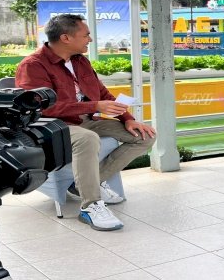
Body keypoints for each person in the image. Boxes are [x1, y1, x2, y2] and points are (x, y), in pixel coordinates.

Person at [16, 14, 156, 231]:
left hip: (85, 119)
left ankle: (81, 185)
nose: (90, 39)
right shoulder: (32, 66)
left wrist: (128, 119)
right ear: (65, 38)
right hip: (51, 125)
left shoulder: (80, 61)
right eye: (86, 35)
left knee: (144, 136)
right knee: (87, 138)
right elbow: (43, 108)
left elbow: (102, 93)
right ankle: (90, 206)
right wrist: (95, 106)